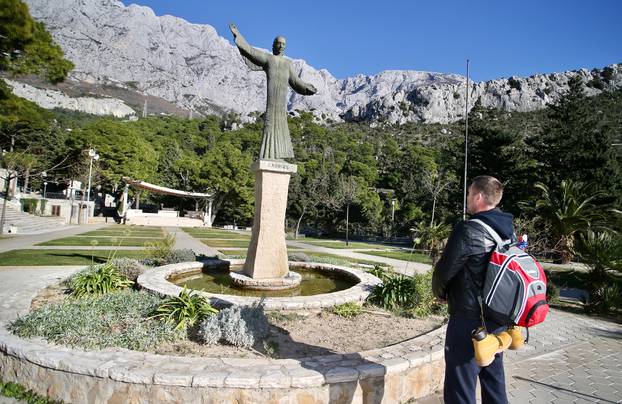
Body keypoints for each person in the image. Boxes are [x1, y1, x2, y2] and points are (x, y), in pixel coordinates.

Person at [432, 175, 515, 404]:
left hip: (468, 320)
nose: (467, 198)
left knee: (460, 385)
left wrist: (440, 293)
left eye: (469, 193)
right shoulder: (508, 229)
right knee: (493, 379)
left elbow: (444, 271)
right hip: (496, 318)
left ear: (478, 197)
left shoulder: (469, 229)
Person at [229, 23, 317, 160]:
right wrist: (237, 34)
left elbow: (296, 82)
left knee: (281, 125)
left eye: (283, 44)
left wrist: (307, 87)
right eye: (279, 43)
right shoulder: (268, 59)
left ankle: (280, 155)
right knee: (270, 124)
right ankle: (268, 155)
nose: (281, 46)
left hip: (281, 107)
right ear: (273, 45)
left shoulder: (287, 64)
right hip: (271, 104)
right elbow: (250, 51)